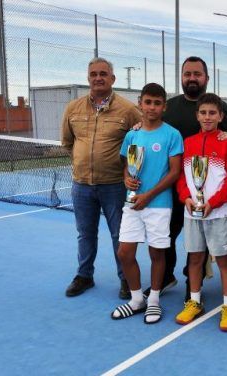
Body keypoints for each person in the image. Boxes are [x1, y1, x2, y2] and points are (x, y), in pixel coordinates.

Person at [142, 56, 227, 301]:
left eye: (196, 74)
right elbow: (153, 126)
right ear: (181, 77)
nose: (191, 78)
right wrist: (140, 125)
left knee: (199, 246)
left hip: (208, 195)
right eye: (187, 73)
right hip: (173, 186)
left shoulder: (219, 107)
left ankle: (193, 287)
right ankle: (166, 277)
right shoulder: (171, 106)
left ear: (206, 79)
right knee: (168, 235)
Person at [61, 57, 142, 299]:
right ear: (88, 78)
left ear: (112, 79)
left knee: (120, 235)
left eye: (103, 74)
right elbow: (68, 143)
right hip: (82, 185)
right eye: (94, 74)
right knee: (85, 234)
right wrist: (84, 162)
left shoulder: (128, 110)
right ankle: (84, 275)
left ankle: (127, 280)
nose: (98, 78)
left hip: (115, 186)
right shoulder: (72, 109)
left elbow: (140, 143)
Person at [110, 83, 183, 324]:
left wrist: (149, 195)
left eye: (157, 103)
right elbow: (127, 166)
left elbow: (174, 173)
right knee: (125, 252)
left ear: (164, 106)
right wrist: (126, 179)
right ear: (140, 103)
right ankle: (136, 299)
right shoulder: (133, 134)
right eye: (147, 102)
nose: (151, 107)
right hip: (132, 204)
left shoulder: (172, 134)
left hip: (159, 204)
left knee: (156, 254)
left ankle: (153, 300)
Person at [174, 93, 227, 332]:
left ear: (221, 116)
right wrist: (186, 198)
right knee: (194, 258)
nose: (207, 117)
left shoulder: (226, 143)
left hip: (218, 213)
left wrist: (213, 202)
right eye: (203, 112)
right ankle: (194, 302)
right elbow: (182, 177)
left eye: (212, 113)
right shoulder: (188, 143)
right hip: (192, 212)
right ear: (197, 115)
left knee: (223, 259)